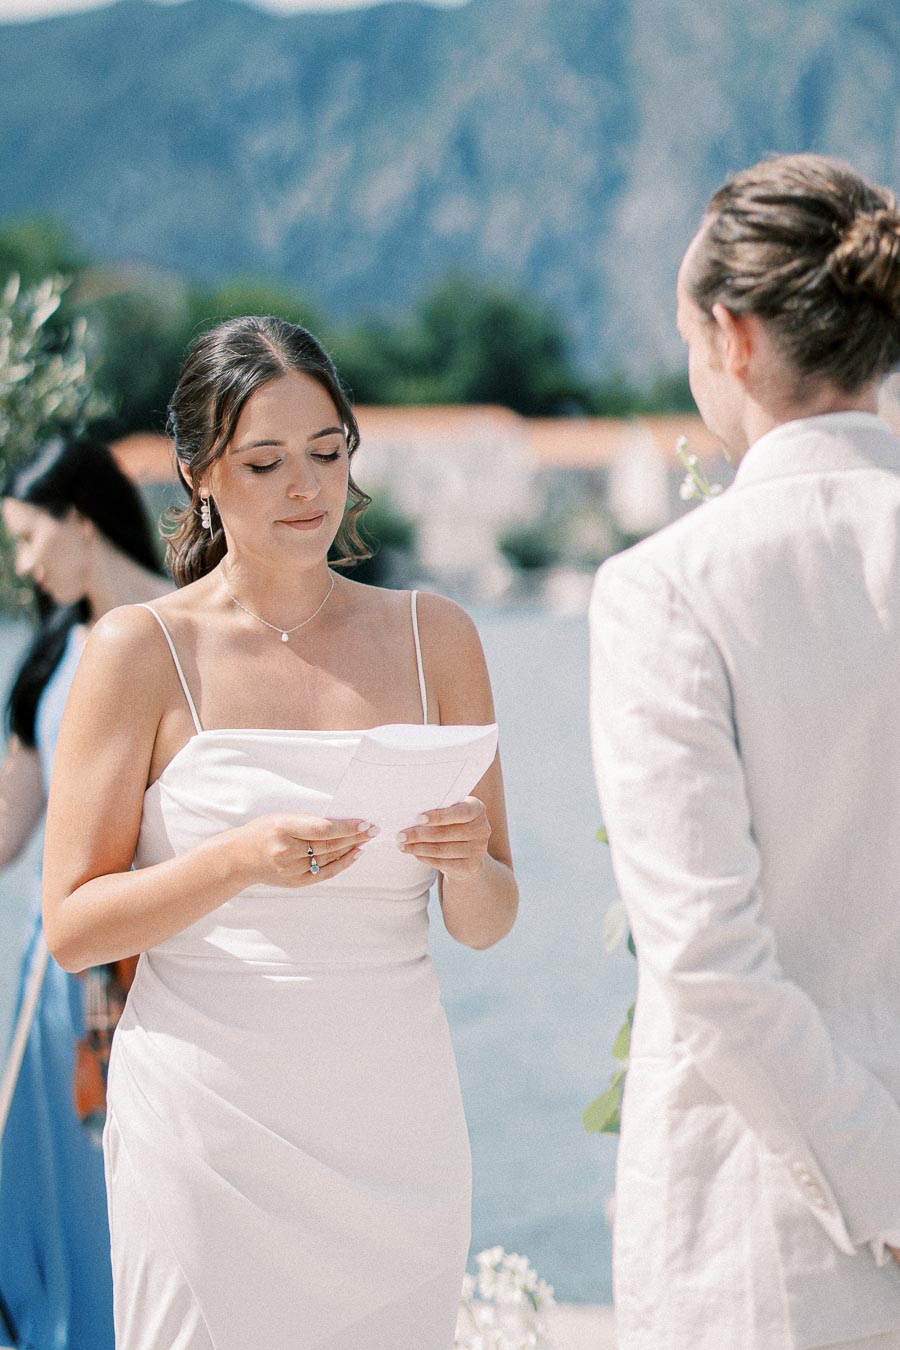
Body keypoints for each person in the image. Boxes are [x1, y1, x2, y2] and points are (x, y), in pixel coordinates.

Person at [41, 315, 518, 1350]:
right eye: (265, 462)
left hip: (396, 1131)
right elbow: (73, 929)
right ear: (198, 473)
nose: (307, 488)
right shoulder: (139, 651)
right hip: (207, 1132)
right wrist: (238, 862)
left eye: (328, 453)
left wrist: (463, 857)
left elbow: (487, 917)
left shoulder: (438, 638)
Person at [589, 153, 900, 1349]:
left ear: (731, 338)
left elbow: (710, 958)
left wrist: (885, 1187)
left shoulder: (667, 590)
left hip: (767, 1237)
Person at [0, 434, 169, 1350]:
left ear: (78, 519)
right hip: (63, 976)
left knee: (152, 1191)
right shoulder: (50, 657)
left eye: (29, 538)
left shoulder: (196, 625)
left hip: (170, 963)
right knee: (56, 1189)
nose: (24, 564)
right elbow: (9, 830)